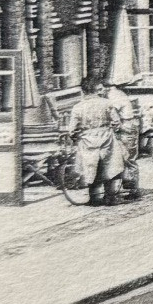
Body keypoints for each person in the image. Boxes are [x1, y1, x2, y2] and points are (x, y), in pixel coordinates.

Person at [63, 76, 122, 206]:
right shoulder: (107, 103)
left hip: (87, 141)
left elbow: (72, 129)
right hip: (106, 138)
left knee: (90, 167)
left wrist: (75, 137)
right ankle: (110, 196)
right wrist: (114, 129)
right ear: (97, 89)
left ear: (84, 91)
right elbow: (116, 122)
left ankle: (93, 197)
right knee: (108, 167)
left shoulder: (77, 107)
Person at [106, 79, 143, 202]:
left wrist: (115, 128)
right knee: (125, 157)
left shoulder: (114, 95)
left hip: (126, 127)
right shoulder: (117, 93)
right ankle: (128, 186)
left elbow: (113, 114)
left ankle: (133, 189)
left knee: (128, 157)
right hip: (127, 125)